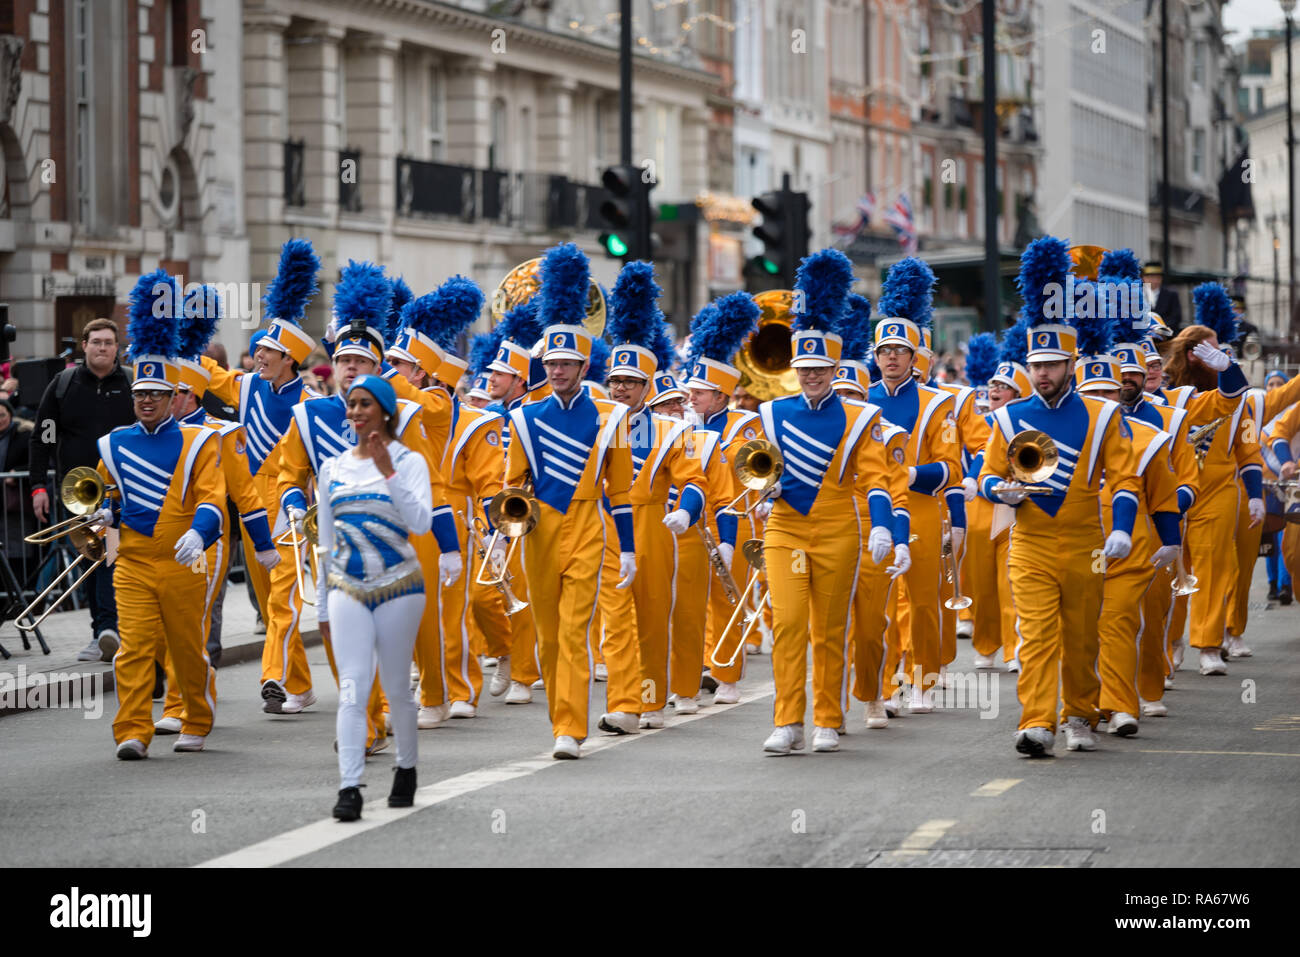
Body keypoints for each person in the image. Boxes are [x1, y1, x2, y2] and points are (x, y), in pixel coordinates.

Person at [978, 237, 1140, 756]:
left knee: (1082, 636)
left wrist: (1119, 527)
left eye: (1052, 364)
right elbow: (982, 475)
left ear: (1071, 364)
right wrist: (997, 489)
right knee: (1037, 633)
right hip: (1029, 537)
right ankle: (1036, 722)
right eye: (1036, 364)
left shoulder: (1103, 414)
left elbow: (1126, 477)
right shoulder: (1007, 417)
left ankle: (1079, 713)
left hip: (1086, 536)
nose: (1042, 373)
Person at [758, 249, 897, 754]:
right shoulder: (771, 412)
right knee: (789, 623)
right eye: (804, 367)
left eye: (820, 367)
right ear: (794, 368)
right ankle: (786, 721)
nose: (812, 374)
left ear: (835, 366)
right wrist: (762, 486)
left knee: (828, 629)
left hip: (840, 526)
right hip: (786, 528)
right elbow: (751, 461)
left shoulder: (863, 416)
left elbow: (878, 478)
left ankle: (826, 718)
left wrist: (882, 526)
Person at [502, 243, 637, 760]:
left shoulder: (612, 417)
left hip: (586, 526)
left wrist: (626, 549)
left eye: (567, 362)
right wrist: (507, 517)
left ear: (584, 364)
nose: (557, 370)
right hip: (538, 533)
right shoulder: (523, 418)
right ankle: (561, 719)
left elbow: (620, 491)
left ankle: (570, 728)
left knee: (575, 629)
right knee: (548, 636)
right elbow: (511, 483)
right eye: (551, 362)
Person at [101, 271, 226, 759]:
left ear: (173, 396)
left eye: (155, 394)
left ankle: (196, 714)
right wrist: (103, 518)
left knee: (185, 649)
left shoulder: (199, 440)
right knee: (133, 648)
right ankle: (132, 729)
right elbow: (103, 496)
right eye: (140, 395)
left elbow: (214, 497)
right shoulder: (113, 444)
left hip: (184, 560)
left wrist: (201, 532)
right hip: (132, 560)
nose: (147, 401)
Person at [200, 239, 323, 712]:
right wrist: (174, 348)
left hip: (291, 506)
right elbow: (210, 376)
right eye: (258, 349)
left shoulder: (313, 404)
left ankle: (272, 677)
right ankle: (301, 685)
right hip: (253, 508)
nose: (259, 356)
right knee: (272, 595)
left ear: (290, 358)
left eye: (269, 351)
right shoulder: (247, 385)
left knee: (284, 599)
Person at [315, 375, 432, 821]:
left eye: (366, 404)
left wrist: (389, 471)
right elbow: (326, 542)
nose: (357, 412)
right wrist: (324, 604)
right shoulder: (332, 468)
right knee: (352, 688)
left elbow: (420, 524)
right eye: (352, 404)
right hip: (348, 587)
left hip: (401, 587)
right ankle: (350, 787)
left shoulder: (410, 461)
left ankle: (406, 768)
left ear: (385, 411)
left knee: (398, 687)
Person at [602, 261, 713, 730]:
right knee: (614, 618)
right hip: (603, 525)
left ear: (648, 387)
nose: (620, 388)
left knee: (651, 614)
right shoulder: (597, 422)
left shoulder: (673, 428)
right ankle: (625, 702)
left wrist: (685, 514)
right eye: (615, 381)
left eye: (630, 382)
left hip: (654, 525)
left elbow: (695, 480)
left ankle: (651, 698)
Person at [868, 257, 965, 713]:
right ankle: (886, 684)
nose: (891, 357)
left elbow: (951, 470)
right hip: (873, 508)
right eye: (884, 351)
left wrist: (908, 475)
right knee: (878, 600)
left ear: (914, 357)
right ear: (876, 356)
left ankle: (923, 679)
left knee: (923, 601)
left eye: (899, 351)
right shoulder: (861, 401)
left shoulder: (936, 402)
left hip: (922, 506)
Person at [28, 316, 135, 663]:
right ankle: (103, 631)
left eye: (108, 342)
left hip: (124, 491)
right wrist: (38, 486)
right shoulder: (62, 384)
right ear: (84, 346)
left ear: (117, 348)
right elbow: (41, 438)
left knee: (115, 559)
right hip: (78, 493)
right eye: (96, 342)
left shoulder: (134, 383)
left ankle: (112, 629)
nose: (102, 347)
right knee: (93, 559)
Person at [684, 291, 763, 702]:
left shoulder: (745, 425)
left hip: (734, 517)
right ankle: (699, 666)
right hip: (691, 518)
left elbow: (757, 471)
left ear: (721, 395)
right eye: (691, 392)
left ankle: (728, 673)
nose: (691, 398)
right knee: (692, 599)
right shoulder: (681, 425)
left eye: (699, 393)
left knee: (727, 599)